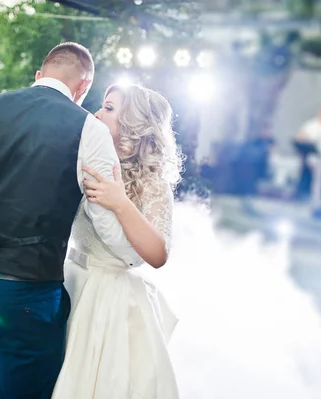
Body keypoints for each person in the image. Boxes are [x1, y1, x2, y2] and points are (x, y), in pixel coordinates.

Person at [0, 42, 136, 399]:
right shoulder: (89, 129)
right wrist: (136, 253)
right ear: (83, 87)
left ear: (39, 76)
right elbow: (106, 228)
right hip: (29, 295)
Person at [52, 84, 182, 398]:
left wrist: (120, 202)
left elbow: (157, 255)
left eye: (109, 108)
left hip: (108, 299)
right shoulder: (90, 161)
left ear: (132, 122)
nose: (97, 113)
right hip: (70, 282)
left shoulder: (152, 181)